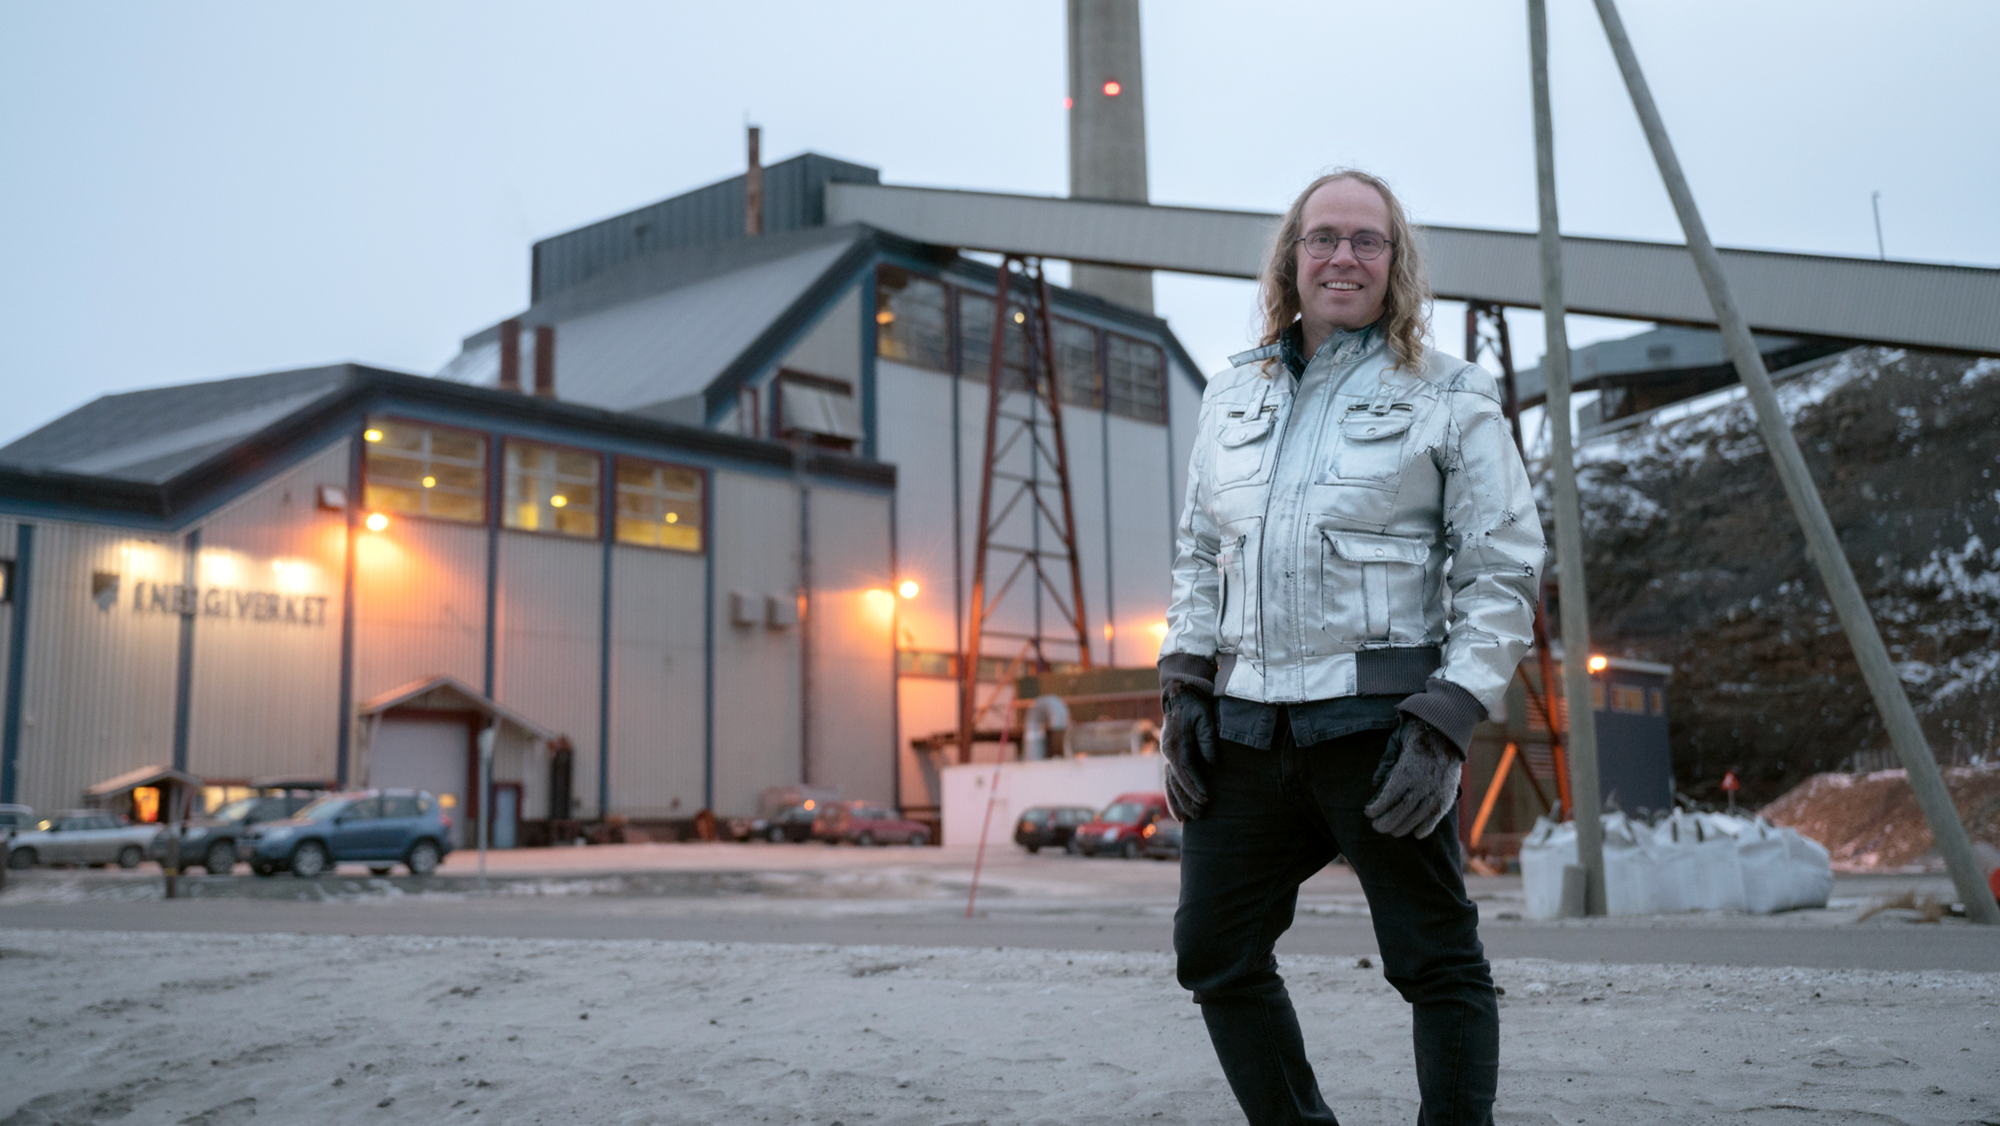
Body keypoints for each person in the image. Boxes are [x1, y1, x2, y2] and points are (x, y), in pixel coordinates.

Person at [1158, 169, 1544, 1126]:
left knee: (1437, 962)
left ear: (1396, 262)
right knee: (1213, 952)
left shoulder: (1452, 395)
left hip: (1381, 728)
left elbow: (1501, 571)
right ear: (1292, 257)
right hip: (1244, 729)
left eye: (1365, 240)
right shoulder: (1231, 392)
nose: (1342, 256)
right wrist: (1184, 686)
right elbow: (1201, 551)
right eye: (1322, 237)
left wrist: (1449, 720)